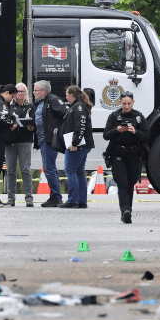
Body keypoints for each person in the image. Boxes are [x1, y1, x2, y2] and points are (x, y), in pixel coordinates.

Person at [102, 91, 149, 223]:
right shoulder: (114, 116)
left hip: (134, 154)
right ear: (120, 103)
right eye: (124, 104)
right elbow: (106, 135)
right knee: (122, 183)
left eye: (129, 104)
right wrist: (117, 130)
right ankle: (125, 210)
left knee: (130, 184)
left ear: (133, 103)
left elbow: (147, 136)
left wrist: (135, 132)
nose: (126, 106)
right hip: (118, 154)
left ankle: (128, 210)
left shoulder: (139, 117)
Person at [32, 80, 69, 207]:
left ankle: (56, 196)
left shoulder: (53, 100)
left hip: (49, 140)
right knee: (48, 168)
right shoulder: (39, 103)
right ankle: (55, 195)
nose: (33, 92)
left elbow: (66, 114)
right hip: (42, 140)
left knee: (49, 168)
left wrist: (58, 131)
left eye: (36, 90)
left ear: (43, 91)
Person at [58, 85, 94, 209]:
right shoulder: (77, 107)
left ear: (71, 95)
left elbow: (80, 127)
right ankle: (81, 201)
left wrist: (74, 143)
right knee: (79, 172)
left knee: (70, 171)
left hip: (77, 146)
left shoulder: (78, 108)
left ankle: (73, 200)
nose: (66, 97)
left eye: (67, 94)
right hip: (81, 145)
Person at [3, 83, 35, 207]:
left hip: (25, 140)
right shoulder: (8, 106)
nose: (20, 93)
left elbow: (33, 123)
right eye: (18, 91)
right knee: (10, 170)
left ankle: (29, 197)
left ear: (26, 92)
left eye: (23, 91)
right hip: (11, 141)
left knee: (25, 169)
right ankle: (11, 197)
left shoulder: (30, 106)